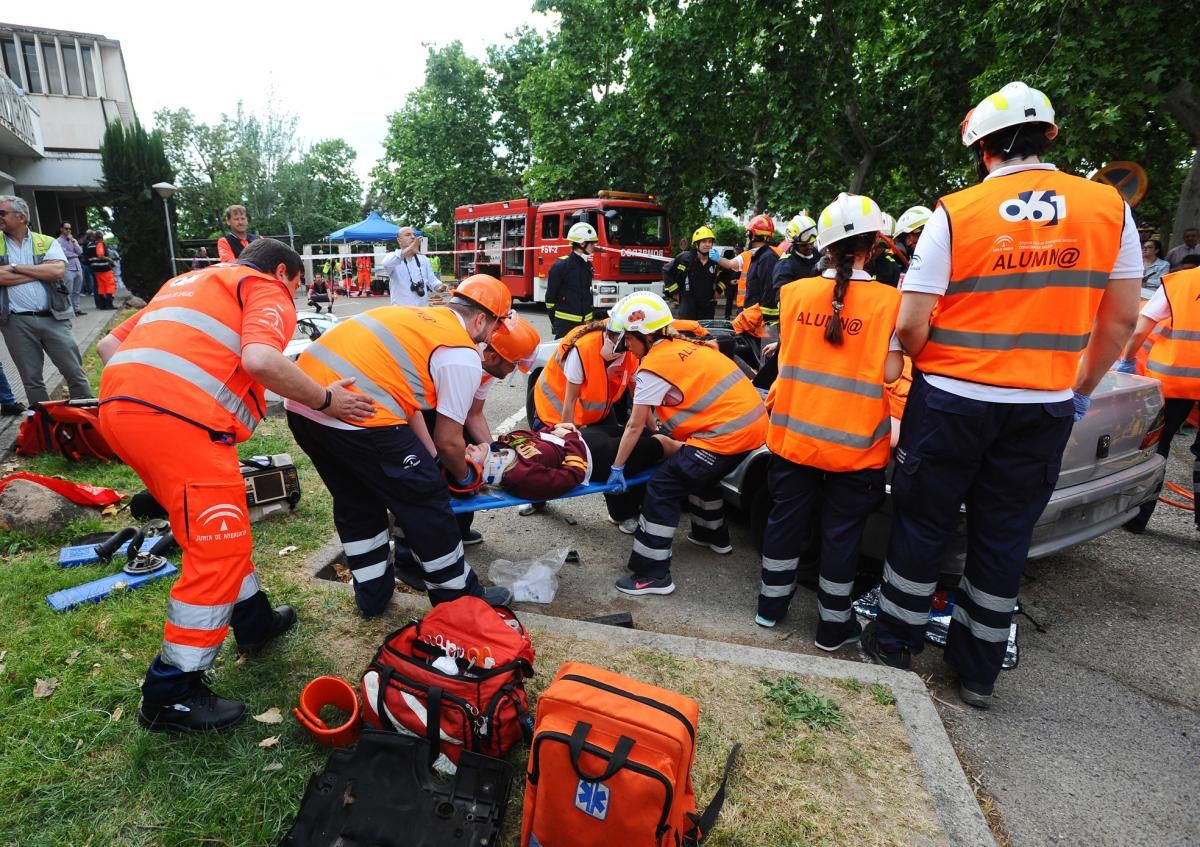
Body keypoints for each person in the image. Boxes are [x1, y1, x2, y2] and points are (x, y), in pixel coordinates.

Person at [860, 81, 1141, 710]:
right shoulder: (1109, 209)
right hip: (1041, 406)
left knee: (922, 523)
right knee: (1004, 533)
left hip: (952, 400)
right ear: (1050, 137)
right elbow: (1120, 322)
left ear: (982, 149)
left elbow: (910, 322)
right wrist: (1078, 390)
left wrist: (925, 365)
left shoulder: (957, 213)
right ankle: (979, 670)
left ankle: (895, 643)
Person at [95, 238, 375, 733]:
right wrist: (328, 399)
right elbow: (263, 361)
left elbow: (107, 347)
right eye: (298, 286)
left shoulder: (188, 281)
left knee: (216, 531)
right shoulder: (264, 286)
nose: (296, 296)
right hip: (178, 422)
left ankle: (254, 622)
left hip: (124, 413)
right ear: (286, 272)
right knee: (218, 549)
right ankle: (171, 692)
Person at [286, 274, 516, 617]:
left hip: (307, 405)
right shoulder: (460, 351)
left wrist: (432, 459)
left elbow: (406, 404)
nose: (492, 338)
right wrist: (466, 476)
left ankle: (373, 595)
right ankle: (460, 599)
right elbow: (451, 439)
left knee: (356, 501)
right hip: (355, 414)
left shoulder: (414, 321)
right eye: (496, 327)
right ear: (482, 319)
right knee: (427, 501)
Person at [755, 193, 903, 649]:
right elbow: (894, 374)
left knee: (785, 523)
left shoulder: (794, 293)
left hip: (794, 437)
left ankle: (769, 608)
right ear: (875, 244)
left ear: (825, 244)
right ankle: (832, 626)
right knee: (842, 535)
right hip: (856, 446)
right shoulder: (889, 302)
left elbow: (790, 360)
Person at [605, 292, 767, 595]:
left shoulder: (654, 366)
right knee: (697, 472)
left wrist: (617, 468)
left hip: (725, 437)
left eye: (628, 338)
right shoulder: (687, 345)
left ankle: (652, 574)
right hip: (752, 432)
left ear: (645, 334)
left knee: (664, 485)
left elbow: (634, 424)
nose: (626, 345)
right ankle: (712, 535)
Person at [530, 317, 643, 527]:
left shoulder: (631, 351)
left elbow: (637, 395)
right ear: (607, 331)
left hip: (597, 413)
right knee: (548, 459)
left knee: (612, 457)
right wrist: (567, 439)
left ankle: (621, 514)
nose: (616, 343)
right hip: (555, 411)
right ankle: (535, 501)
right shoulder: (583, 349)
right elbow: (570, 400)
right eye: (611, 337)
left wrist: (651, 427)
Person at [1115, 264, 1200, 535]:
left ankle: (1137, 518)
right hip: (1181, 381)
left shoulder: (1180, 283)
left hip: (1177, 382)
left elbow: (1141, 330)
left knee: (1157, 448)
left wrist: (1127, 361)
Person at [0, 195, 92, 406]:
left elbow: (58, 271)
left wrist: (14, 267)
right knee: (31, 381)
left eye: (2, 213)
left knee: (74, 372)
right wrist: (39, 272)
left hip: (54, 317)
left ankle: (87, 418)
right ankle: (44, 428)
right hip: (15, 322)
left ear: (21, 216)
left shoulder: (46, 241)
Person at [663, 226, 738, 320]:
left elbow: (728, 272)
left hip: (707, 303)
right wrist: (675, 292)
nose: (707, 244)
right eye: (704, 241)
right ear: (696, 244)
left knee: (705, 332)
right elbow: (666, 271)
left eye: (710, 241)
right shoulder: (685, 258)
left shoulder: (715, 260)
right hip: (688, 303)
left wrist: (719, 290)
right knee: (687, 332)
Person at [546, 222, 598, 337]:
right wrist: (555, 322)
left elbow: (586, 295)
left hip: (586, 324)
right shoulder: (560, 266)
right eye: (592, 243)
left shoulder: (587, 265)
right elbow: (550, 299)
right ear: (582, 243)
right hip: (566, 325)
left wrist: (590, 319)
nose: (594, 246)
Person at [384, 226, 437, 308]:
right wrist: (411, 247)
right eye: (408, 235)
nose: (413, 237)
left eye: (414, 235)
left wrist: (439, 286)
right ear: (399, 240)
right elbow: (386, 264)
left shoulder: (423, 258)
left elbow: (432, 280)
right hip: (402, 310)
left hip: (422, 309)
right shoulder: (393, 257)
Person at [57, 222, 86, 316]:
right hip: (68, 268)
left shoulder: (73, 240)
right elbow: (64, 254)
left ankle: (77, 309)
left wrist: (73, 241)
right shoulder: (58, 241)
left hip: (77, 267)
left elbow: (80, 251)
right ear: (61, 229)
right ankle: (69, 310)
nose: (68, 230)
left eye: (69, 228)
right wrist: (75, 254)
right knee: (68, 291)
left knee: (77, 291)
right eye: (66, 228)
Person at [84, 232, 117, 310]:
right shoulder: (99, 244)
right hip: (104, 268)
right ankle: (109, 304)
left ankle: (102, 305)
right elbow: (100, 255)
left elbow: (87, 256)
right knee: (109, 285)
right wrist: (110, 260)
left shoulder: (89, 245)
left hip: (95, 269)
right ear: (101, 237)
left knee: (101, 287)